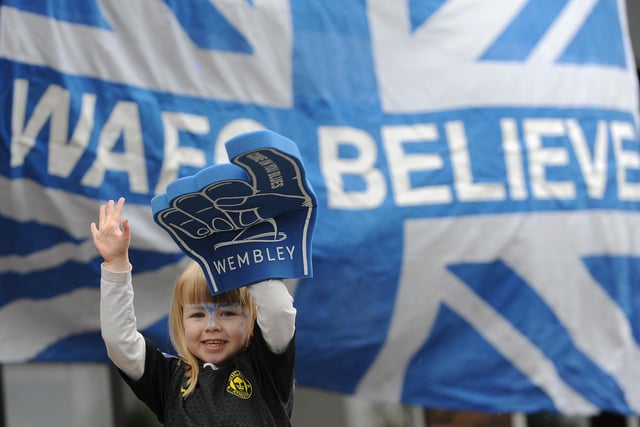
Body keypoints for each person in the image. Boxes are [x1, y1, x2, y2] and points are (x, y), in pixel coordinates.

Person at [91, 197, 296, 426]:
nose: (212, 325)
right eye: (198, 315)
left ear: (252, 322)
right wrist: (116, 265)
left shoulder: (265, 368)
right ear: (182, 322)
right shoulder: (169, 379)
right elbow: (119, 342)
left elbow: (278, 312)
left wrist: (248, 254)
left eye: (227, 313)